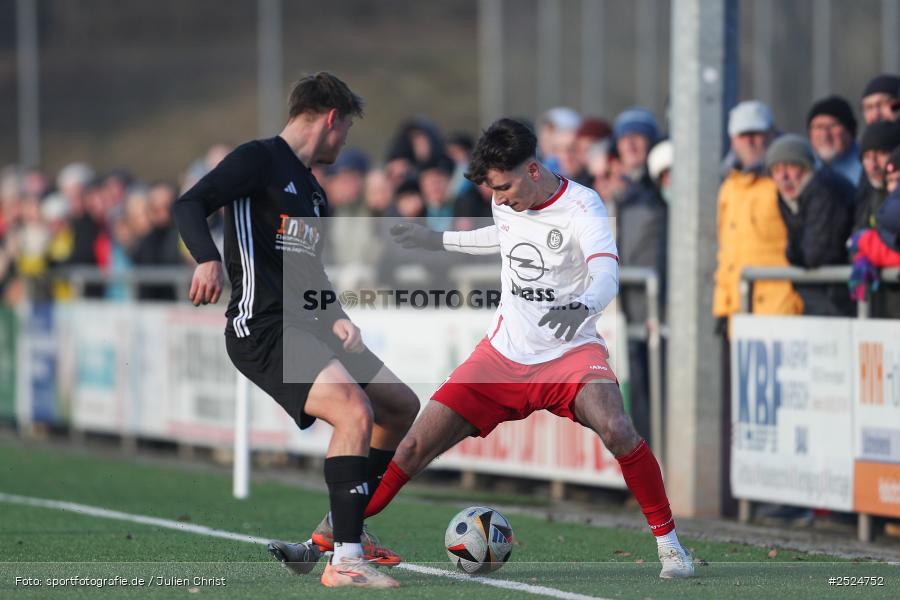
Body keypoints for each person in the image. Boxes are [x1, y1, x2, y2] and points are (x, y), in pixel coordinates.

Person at [359, 118, 694, 579]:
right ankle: (338, 535)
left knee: (617, 427)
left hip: (570, 353)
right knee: (413, 446)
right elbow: (501, 237)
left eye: (504, 187)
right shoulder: (506, 201)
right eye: (492, 190)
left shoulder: (583, 205)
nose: (498, 199)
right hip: (503, 355)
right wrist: (437, 241)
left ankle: (671, 547)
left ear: (534, 170)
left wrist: (581, 307)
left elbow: (607, 274)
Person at [172, 72, 419, 589]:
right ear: (331, 119)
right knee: (354, 409)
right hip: (262, 327)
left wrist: (336, 315)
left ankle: (340, 527)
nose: (346, 140)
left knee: (399, 405)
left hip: (308, 326)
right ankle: (346, 560)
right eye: (346, 128)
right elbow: (189, 203)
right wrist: (207, 259)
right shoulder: (258, 159)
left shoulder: (311, 190)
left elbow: (310, 272)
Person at [765, 134, 854, 315]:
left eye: (790, 166)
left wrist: (795, 256)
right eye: (776, 169)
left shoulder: (824, 190)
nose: (783, 176)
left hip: (840, 299)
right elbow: (796, 253)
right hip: (825, 298)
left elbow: (817, 254)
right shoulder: (789, 199)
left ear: (806, 166)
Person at [806, 95, 862, 186]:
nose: (825, 135)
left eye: (833, 126)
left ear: (850, 131)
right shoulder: (804, 168)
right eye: (818, 127)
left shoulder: (869, 167)